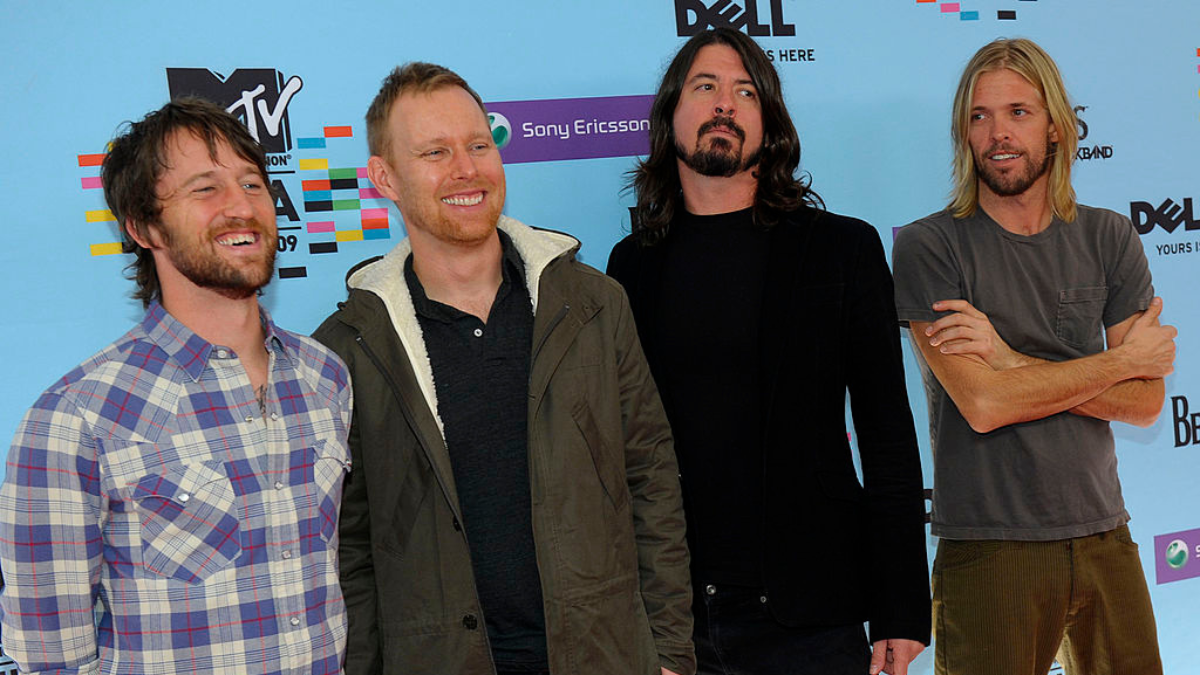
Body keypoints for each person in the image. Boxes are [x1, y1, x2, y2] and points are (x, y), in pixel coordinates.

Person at [312, 62, 693, 675]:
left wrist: (670, 652)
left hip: (604, 655)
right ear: (384, 178)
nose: (466, 169)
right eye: (435, 152)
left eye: (479, 145)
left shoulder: (593, 305)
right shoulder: (347, 349)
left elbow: (651, 478)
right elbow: (348, 549)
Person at [607, 28, 930, 675]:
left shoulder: (841, 250)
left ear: (769, 123)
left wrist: (900, 606)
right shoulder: (632, 265)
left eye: (745, 92)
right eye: (705, 86)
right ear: (670, 115)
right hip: (674, 618)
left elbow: (887, 435)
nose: (724, 103)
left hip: (811, 618)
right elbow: (624, 450)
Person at [0, 98, 352, 674]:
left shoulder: (324, 375)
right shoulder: (76, 416)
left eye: (252, 184)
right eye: (205, 189)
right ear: (143, 228)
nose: (241, 206)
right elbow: (50, 656)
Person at [892, 38, 1175, 675]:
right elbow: (984, 404)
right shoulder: (930, 247)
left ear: (1055, 126)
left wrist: (1008, 358)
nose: (999, 134)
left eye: (1018, 112)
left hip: (1105, 535)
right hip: (990, 547)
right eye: (980, 116)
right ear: (964, 133)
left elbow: (1146, 402)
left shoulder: (1109, 235)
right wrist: (1116, 365)